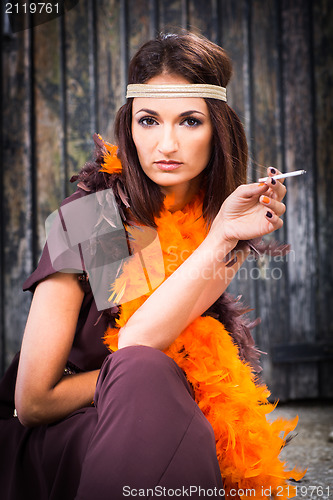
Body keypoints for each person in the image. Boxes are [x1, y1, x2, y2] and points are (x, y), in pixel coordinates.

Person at [0, 32, 303, 499]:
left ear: (218, 129)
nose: (166, 143)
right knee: (144, 370)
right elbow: (35, 401)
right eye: (148, 120)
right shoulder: (95, 217)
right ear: (129, 128)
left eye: (189, 121)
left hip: (158, 419)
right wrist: (131, 377)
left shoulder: (215, 222)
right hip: (67, 438)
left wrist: (223, 237)